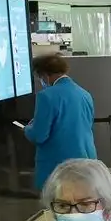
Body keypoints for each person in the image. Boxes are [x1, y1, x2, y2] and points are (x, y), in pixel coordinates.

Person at [24, 54, 97, 190]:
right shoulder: (84, 94)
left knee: (59, 203)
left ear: (45, 74)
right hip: (87, 160)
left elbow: (39, 135)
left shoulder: (46, 96)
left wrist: (27, 129)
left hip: (59, 164)